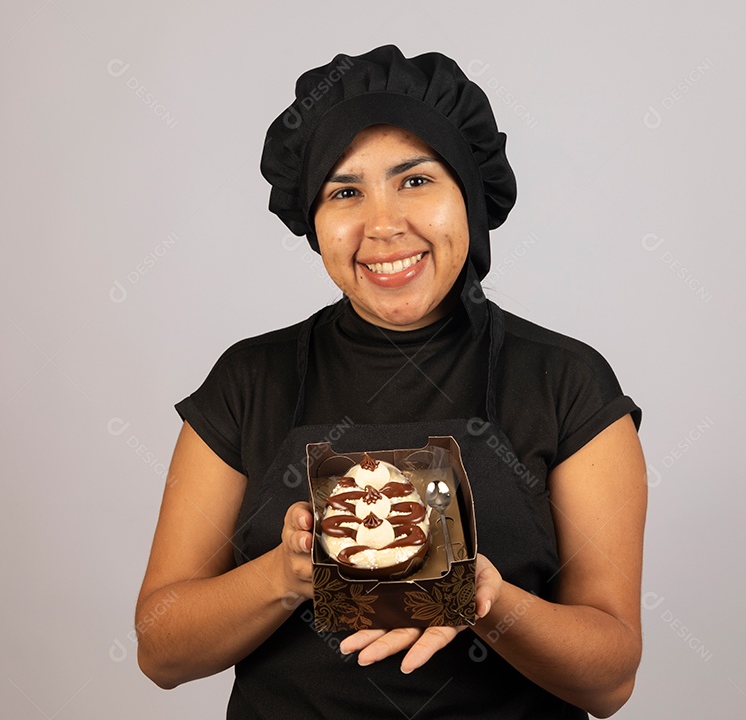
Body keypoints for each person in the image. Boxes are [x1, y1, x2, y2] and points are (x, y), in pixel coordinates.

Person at [135, 44, 647, 719]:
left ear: (467, 192)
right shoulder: (248, 380)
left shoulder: (564, 382)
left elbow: (608, 680)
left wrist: (487, 601)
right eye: (345, 191)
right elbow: (160, 648)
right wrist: (286, 575)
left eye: (415, 180)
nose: (382, 225)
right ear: (313, 222)